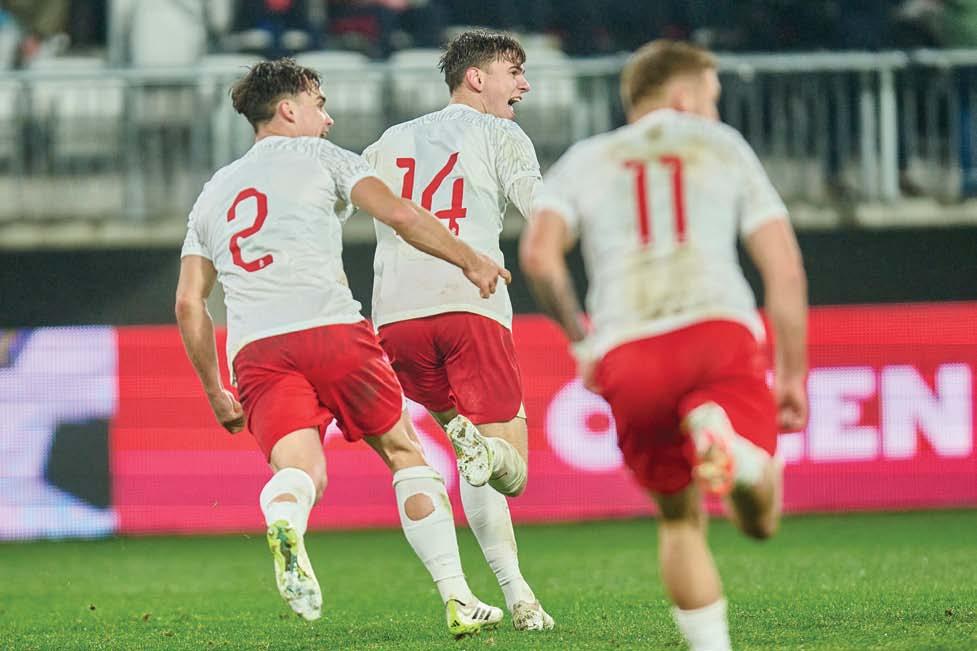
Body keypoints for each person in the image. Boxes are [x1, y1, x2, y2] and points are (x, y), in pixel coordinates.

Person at [174, 58, 511, 637]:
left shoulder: (213, 192)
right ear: (288, 109)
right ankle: (457, 597)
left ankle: (284, 514)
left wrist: (214, 391)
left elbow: (188, 303)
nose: (327, 119)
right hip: (330, 329)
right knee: (404, 452)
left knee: (301, 470)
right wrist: (470, 259)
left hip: (255, 350)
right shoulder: (325, 157)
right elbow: (402, 214)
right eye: (319, 104)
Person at [519, 40, 808, 651]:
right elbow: (784, 269)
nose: (714, 110)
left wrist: (582, 344)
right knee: (760, 520)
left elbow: (539, 257)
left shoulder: (584, 159)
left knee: (678, 519)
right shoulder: (721, 144)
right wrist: (791, 375)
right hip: (716, 330)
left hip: (628, 347)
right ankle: (735, 453)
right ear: (683, 96)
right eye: (711, 97)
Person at [360, 29, 554, 631]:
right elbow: (541, 211)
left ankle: (520, 598)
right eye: (513, 72)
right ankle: (516, 586)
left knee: (466, 451)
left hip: (396, 320)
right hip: (471, 304)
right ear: (476, 78)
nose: (524, 85)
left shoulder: (388, 141)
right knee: (507, 469)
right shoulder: (500, 134)